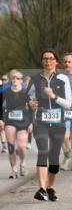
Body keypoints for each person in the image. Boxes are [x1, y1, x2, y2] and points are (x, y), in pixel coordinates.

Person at [26, 49, 72, 201]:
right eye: (45, 58)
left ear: (56, 61)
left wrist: (54, 96)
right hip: (41, 121)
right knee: (43, 151)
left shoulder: (63, 79)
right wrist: (30, 103)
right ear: (42, 61)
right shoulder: (35, 79)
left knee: (53, 159)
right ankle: (41, 188)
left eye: (51, 58)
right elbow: (28, 97)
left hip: (58, 122)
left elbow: (68, 103)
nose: (48, 61)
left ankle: (50, 188)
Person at [1, 70, 32, 179]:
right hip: (10, 121)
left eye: (17, 78)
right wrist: (0, 119)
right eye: (13, 78)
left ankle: (22, 163)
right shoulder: (6, 92)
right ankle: (13, 169)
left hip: (23, 121)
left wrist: (31, 122)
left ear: (21, 80)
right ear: (10, 80)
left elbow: (31, 108)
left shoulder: (25, 92)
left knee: (22, 146)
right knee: (11, 147)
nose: (15, 80)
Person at [0, 73, 11, 153]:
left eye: (5, 79)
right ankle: (4, 146)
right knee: (1, 126)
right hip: (0, 109)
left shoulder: (13, 87)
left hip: (11, 110)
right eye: (2, 79)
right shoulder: (0, 88)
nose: (4, 81)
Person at [63, 51, 72, 170]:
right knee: (63, 136)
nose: (67, 64)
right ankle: (67, 156)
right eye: (65, 62)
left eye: (69, 62)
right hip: (65, 110)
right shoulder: (59, 76)